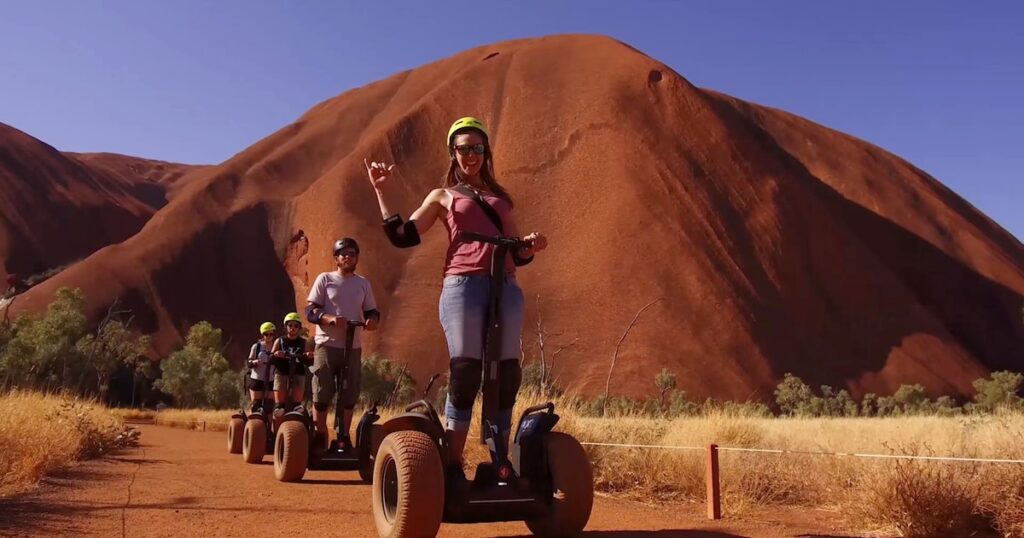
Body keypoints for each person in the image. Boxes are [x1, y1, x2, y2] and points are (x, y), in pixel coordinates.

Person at [364, 116, 548, 479]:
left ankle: (500, 461)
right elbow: (403, 235)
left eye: (477, 148)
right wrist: (382, 192)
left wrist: (531, 245)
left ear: (486, 152)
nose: (471, 155)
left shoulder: (501, 199)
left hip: (505, 287)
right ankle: (452, 461)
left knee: (505, 373)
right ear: (453, 152)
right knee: (466, 372)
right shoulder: (442, 196)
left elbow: (518, 255)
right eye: (463, 148)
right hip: (463, 286)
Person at [304, 238, 380, 451]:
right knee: (322, 391)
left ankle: (343, 437)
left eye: (352, 254)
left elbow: (372, 310)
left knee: (349, 393)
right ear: (336, 258)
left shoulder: (363, 283)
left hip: (352, 346)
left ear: (357, 258)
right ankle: (320, 435)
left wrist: (373, 320)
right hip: (327, 345)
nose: (348, 257)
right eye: (343, 253)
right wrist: (328, 319)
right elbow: (310, 311)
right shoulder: (325, 279)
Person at [270, 312, 313, 420]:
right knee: (279, 410)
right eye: (290, 325)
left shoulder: (304, 342)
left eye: (295, 326)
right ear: (286, 327)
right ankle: (276, 430)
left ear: (299, 327)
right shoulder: (279, 341)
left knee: (297, 407)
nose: (293, 328)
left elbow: (309, 360)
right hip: (282, 372)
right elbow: (271, 358)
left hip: (298, 373)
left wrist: (309, 356)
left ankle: (296, 410)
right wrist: (275, 354)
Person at [246, 322, 277, 413]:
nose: (269, 336)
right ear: (262, 335)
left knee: (269, 406)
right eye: (266, 334)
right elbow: (249, 362)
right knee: (256, 405)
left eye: (271, 334)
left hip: (271, 380)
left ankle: (268, 426)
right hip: (257, 379)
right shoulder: (257, 346)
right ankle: (254, 425)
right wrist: (254, 362)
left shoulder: (277, 346)